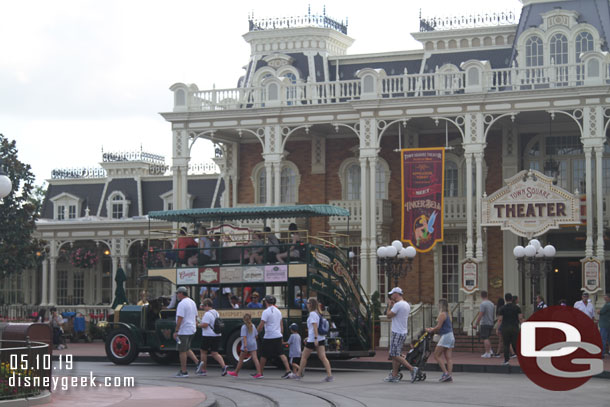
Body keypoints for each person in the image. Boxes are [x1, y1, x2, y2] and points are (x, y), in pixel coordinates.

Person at [288, 297, 333, 382]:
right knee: (323, 357)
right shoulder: (318, 313)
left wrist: (314, 338)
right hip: (320, 338)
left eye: (308, 303)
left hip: (313, 339)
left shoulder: (312, 314)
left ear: (311, 304)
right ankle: (329, 375)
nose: (306, 304)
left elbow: (314, 327)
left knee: (304, 357)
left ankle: (298, 374)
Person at [382, 287, 418, 383]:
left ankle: (412, 369)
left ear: (396, 294)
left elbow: (388, 315)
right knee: (395, 354)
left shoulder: (398, 305)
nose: (391, 296)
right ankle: (394, 375)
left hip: (397, 332)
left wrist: (390, 306)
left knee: (394, 354)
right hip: (402, 331)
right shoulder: (406, 304)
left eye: (392, 294)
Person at [257, 295, 292, 378]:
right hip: (277, 335)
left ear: (266, 302)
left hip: (269, 335)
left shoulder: (266, 312)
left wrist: (256, 333)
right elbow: (281, 325)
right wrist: (281, 335)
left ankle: (260, 372)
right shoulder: (278, 311)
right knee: (281, 353)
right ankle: (288, 370)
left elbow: (261, 324)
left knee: (263, 355)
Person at [196, 298, 229, 377]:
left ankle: (203, 370)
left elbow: (205, 325)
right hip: (217, 335)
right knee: (215, 353)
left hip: (208, 335)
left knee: (203, 352)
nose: (203, 308)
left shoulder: (207, 314)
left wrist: (198, 325)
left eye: (204, 306)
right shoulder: (216, 313)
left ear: (207, 305)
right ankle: (223, 366)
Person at [173, 286, 200, 377]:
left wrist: (176, 331)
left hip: (184, 330)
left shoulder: (182, 304)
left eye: (177, 293)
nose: (177, 295)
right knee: (187, 348)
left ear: (181, 293)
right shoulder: (192, 302)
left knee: (182, 351)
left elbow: (180, 318)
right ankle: (197, 362)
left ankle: (183, 371)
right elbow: (196, 316)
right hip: (192, 329)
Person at [427, 298, 454, 382]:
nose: (437, 306)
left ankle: (445, 373)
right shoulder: (448, 314)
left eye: (438, 304)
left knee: (436, 355)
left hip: (445, 336)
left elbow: (438, 327)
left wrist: (431, 329)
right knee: (448, 357)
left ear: (441, 305)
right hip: (451, 335)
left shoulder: (442, 314)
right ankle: (449, 375)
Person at [227, 313, 262, 378]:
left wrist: (245, 346)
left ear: (244, 319)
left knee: (241, 359)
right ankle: (259, 373)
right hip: (253, 343)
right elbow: (256, 336)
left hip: (247, 344)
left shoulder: (244, 327)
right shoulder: (253, 326)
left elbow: (244, 337)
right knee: (255, 358)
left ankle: (235, 372)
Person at [496, 293, 523, 366]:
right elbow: (520, 318)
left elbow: (500, 320)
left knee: (506, 344)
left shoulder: (502, 308)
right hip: (515, 327)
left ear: (505, 299)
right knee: (516, 344)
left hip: (505, 328)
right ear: (511, 299)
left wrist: (497, 328)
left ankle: (506, 360)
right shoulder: (517, 308)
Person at [472, 290, 495, 358]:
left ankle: (487, 352)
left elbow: (481, 314)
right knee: (487, 337)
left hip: (485, 322)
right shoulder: (491, 303)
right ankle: (490, 351)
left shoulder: (483, 304)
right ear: (487, 295)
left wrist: (476, 323)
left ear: (481, 296)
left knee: (485, 338)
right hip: (490, 322)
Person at [599, 293, 610, 357]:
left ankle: (602, 354)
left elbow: (600, 311)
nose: (604, 298)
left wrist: (599, 311)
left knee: (603, 339)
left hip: (604, 325)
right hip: (608, 324)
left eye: (606, 297)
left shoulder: (607, 305)